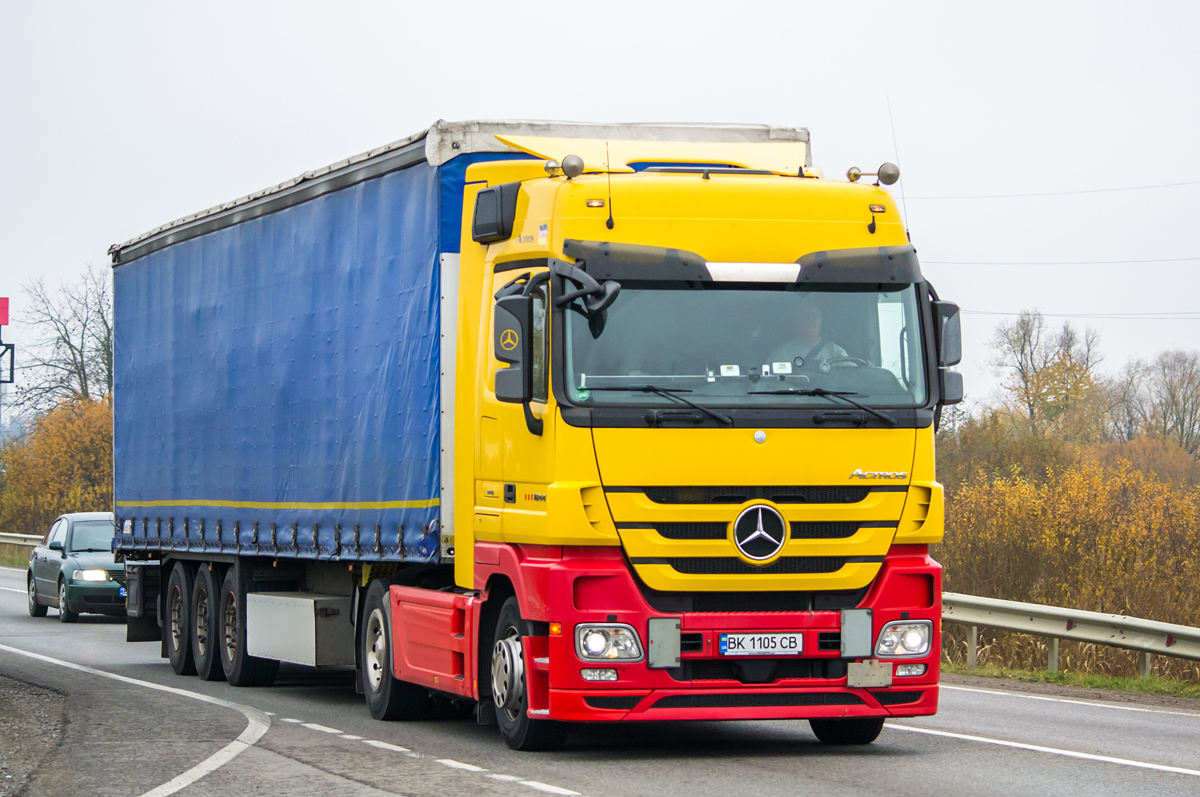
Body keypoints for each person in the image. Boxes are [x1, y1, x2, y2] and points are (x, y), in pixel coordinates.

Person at [766, 300, 848, 371]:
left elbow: (853, 376)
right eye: (806, 316)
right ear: (797, 322)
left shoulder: (836, 352)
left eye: (815, 316)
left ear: (821, 322)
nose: (810, 320)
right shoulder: (781, 354)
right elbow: (768, 383)